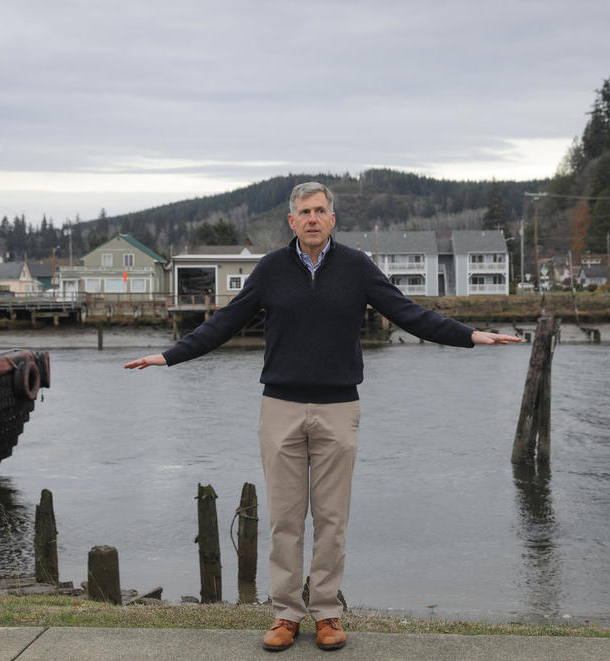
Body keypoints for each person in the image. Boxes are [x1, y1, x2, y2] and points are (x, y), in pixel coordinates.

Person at [125, 181, 519, 651]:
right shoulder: (270, 270)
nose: (312, 219)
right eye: (303, 212)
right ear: (291, 221)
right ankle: (287, 615)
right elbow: (224, 323)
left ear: (332, 219)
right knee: (285, 520)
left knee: (332, 519)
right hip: (280, 409)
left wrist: (471, 335)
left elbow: (409, 313)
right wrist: (169, 356)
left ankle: (327, 612)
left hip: (338, 409)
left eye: (319, 211)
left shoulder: (357, 268)